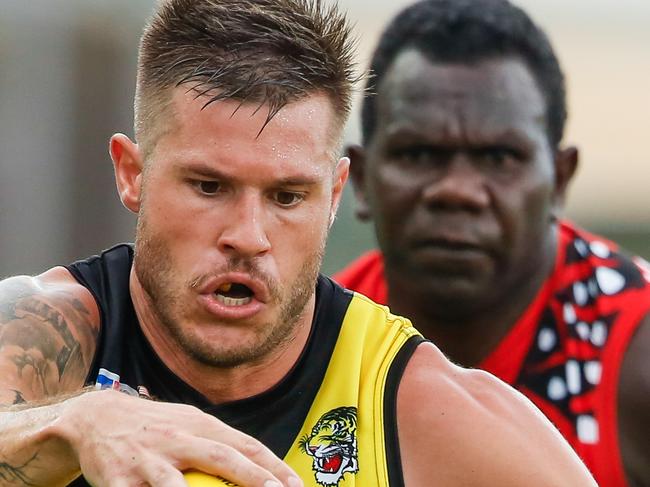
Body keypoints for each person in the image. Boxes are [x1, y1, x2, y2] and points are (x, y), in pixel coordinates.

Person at [0, 1, 597, 486]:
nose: (247, 237)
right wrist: (77, 421)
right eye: (209, 186)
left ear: (335, 194)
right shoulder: (50, 330)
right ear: (133, 173)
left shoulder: (422, 409)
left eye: (287, 197)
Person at [333, 1, 650, 486]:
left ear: (560, 180)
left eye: (499, 157)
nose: (457, 190)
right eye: (418, 153)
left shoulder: (636, 357)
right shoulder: (311, 342)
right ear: (360, 180)